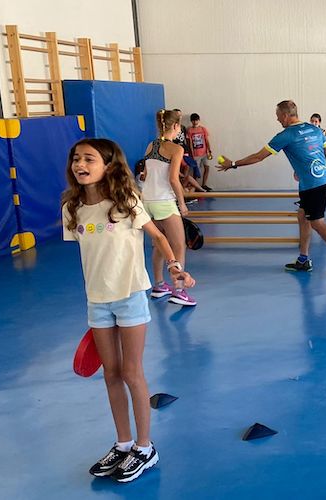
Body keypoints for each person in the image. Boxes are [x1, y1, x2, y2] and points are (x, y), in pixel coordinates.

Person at [61, 138, 196, 483]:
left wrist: (175, 266)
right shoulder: (71, 207)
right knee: (111, 374)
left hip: (131, 296)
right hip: (97, 300)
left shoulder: (126, 202)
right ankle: (122, 444)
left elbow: (159, 237)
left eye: (89, 158)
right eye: (77, 158)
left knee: (132, 373)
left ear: (108, 165)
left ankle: (145, 447)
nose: (81, 164)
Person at [217, 100, 326, 275]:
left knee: (317, 222)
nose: (277, 120)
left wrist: (233, 164)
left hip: (313, 184)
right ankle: (303, 259)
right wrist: (318, 169)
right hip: (319, 179)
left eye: (278, 116)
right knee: (303, 216)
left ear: (285, 115)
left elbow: (259, 157)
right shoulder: (315, 129)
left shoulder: (286, 135)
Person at [142, 109, 197, 306]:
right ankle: (179, 290)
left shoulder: (150, 146)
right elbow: (173, 179)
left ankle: (158, 285)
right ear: (176, 126)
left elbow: (146, 175)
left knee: (159, 243)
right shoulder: (176, 149)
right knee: (179, 246)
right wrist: (182, 203)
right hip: (164, 201)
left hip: (147, 201)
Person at [187, 113, 214, 191]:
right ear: (191, 121)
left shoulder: (203, 129)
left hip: (204, 153)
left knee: (207, 168)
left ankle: (204, 185)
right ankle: (196, 186)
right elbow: (190, 143)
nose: (195, 122)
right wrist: (192, 154)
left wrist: (209, 150)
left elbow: (206, 140)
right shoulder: (189, 130)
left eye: (196, 120)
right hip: (196, 154)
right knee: (196, 171)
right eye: (193, 121)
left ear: (199, 120)